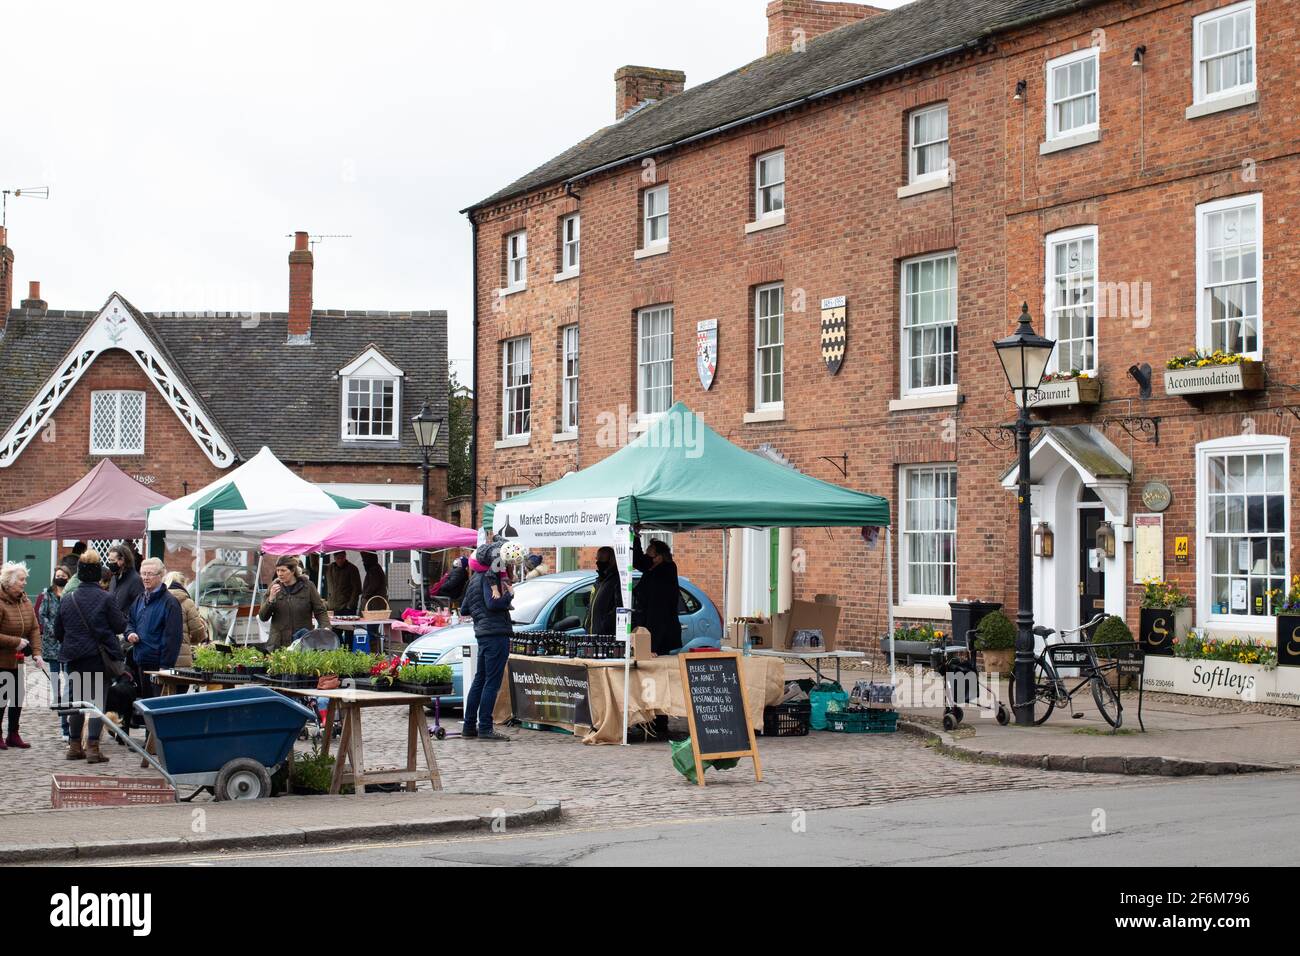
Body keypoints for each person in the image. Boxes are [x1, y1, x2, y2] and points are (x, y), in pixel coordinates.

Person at [55, 550, 127, 764]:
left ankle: (74, 745)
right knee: (96, 702)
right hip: (97, 657)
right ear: (97, 574)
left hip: (74, 657)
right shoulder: (106, 598)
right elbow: (120, 625)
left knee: (76, 703)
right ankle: (93, 748)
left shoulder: (68, 598)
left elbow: (58, 631)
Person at [458, 542, 515, 741]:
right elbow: (493, 603)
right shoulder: (489, 578)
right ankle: (485, 727)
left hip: (482, 632)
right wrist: (509, 596)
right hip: (496, 633)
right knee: (491, 682)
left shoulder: (474, 579)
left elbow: (465, 609)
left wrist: (479, 613)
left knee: (480, 680)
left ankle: (468, 726)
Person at [125, 559, 183, 704]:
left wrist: (165, 666)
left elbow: (173, 637)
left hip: (158, 666)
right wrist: (130, 633)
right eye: (143, 574)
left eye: (150, 574)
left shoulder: (170, 602)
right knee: (146, 706)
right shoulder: (140, 598)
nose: (145, 578)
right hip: (141, 661)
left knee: (157, 706)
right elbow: (129, 621)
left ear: (161, 575)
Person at [0, 562, 42, 750]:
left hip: (17, 660)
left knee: (17, 697)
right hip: (1, 659)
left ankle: (13, 734)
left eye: (25, 579)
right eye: (21, 580)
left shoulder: (25, 600)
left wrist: (37, 653)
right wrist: (15, 641)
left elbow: (34, 628)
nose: (25, 583)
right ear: (9, 582)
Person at [259, 556, 330, 651]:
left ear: (292, 571)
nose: (279, 574)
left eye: (283, 570)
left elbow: (320, 611)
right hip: (278, 643)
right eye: (278, 570)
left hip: (302, 640)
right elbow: (263, 617)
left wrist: (325, 628)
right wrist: (270, 599)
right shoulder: (274, 587)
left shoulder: (308, 587)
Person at [631, 535, 682, 655]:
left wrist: (652, 646)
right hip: (648, 626)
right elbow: (638, 561)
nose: (647, 556)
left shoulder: (665, 571)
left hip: (659, 634)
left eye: (650, 553)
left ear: (659, 557)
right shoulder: (652, 570)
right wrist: (636, 538)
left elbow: (659, 613)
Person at [37, 567, 71, 740]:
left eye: (63, 576)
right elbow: (42, 614)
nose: (60, 578)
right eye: (58, 576)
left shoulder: (70, 593)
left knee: (67, 672)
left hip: (66, 640)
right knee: (54, 671)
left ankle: (64, 698)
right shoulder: (48, 594)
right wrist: (51, 628)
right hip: (51, 640)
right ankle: (57, 697)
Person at [163, 572, 209, 668]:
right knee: (182, 681)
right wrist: (192, 641)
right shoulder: (187, 603)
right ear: (183, 584)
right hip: (182, 657)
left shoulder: (159, 600)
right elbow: (197, 632)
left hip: (161, 655)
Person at [585, 546, 623, 636]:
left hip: (605, 635)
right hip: (592, 633)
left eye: (602, 559)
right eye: (597, 558)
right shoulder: (599, 580)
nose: (598, 562)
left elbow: (619, 606)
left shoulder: (616, 580)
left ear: (611, 560)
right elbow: (591, 603)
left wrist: (604, 625)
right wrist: (586, 622)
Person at [106, 544, 143, 616]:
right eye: (109, 560)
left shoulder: (135, 580)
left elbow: (139, 608)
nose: (110, 563)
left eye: (112, 560)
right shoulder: (114, 578)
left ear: (122, 560)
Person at [325, 551, 362, 616]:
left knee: (347, 626)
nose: (340, 560)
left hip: (346, 608)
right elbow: (315, 566)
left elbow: (357, 588)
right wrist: (313, 552)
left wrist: (350, 605)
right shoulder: (330, 568)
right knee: (333, 626)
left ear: (345, 557)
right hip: (332, 607)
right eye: (338, 558)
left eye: (342, 558)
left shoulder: (352, 568)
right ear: (334, 558)